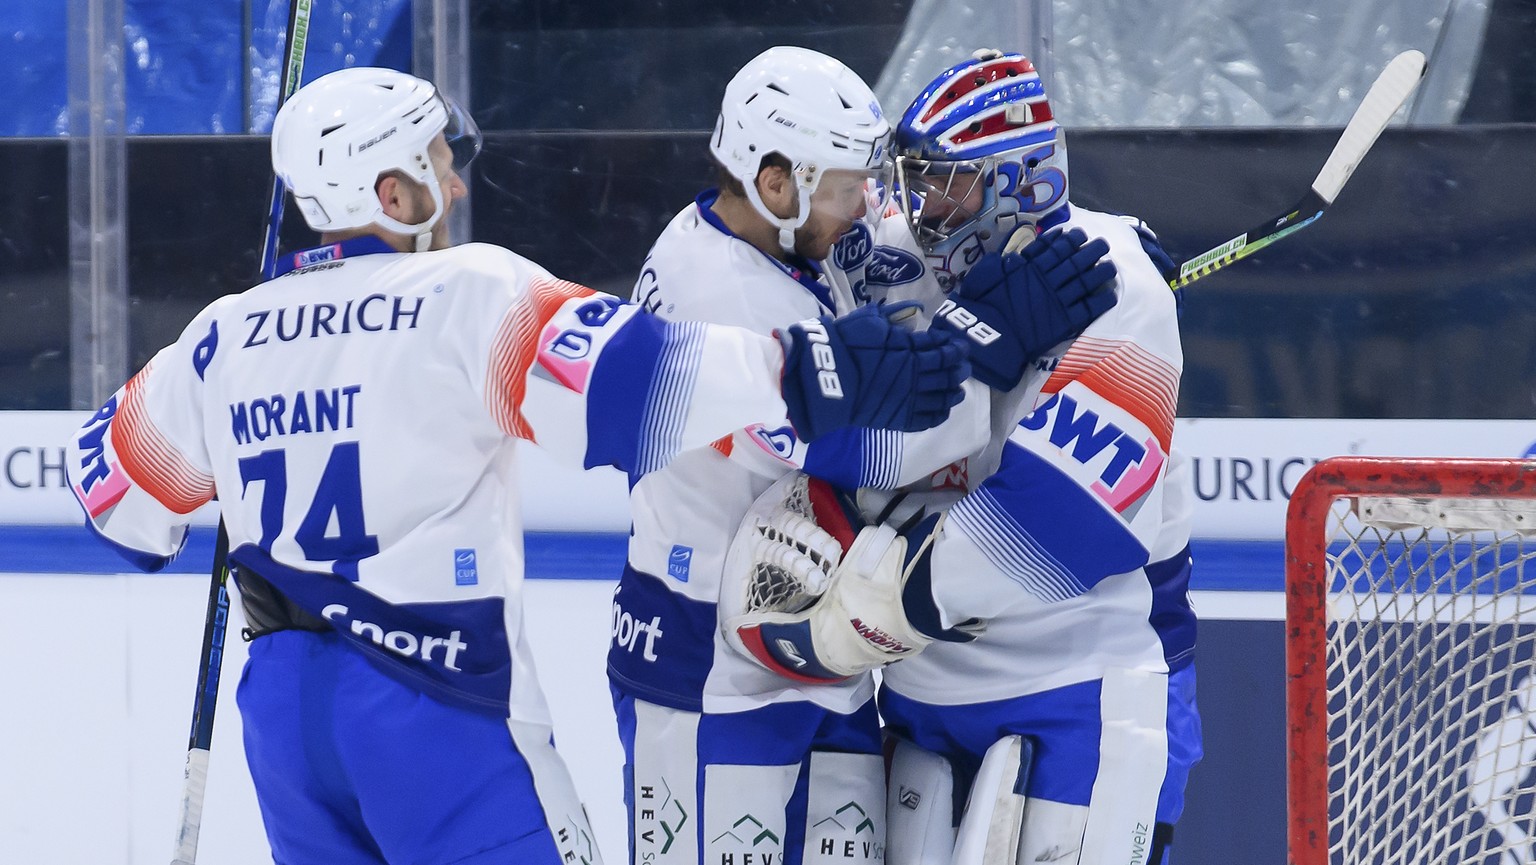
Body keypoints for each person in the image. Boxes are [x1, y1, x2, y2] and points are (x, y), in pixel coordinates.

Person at [62, 66, 975, 865]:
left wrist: (254, 366)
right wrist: (824, 371)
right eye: (435, 163)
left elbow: (117, 509)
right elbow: (639, 382)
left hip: (284, 720)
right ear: (391, 192)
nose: (454, 186)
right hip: (433, 700)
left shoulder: (222, 334)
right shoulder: (467, 293)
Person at [606, 47, 1119, 865]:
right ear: (777, 182)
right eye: (849, 183)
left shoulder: (780, 233)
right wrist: (990, 338)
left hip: (814, 636)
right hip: (707, 667)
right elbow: (878, 450)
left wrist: (1102, 248)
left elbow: (906, 233)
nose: (869, 201)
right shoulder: (726, 307)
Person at [726, 51, 1201, 865]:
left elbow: (1063, 526)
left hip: (1073, 690)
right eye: (916, 179)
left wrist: (860, 615)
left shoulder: (1116, 294)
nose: (922, 208)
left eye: (952, 185)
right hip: (920, 697)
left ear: (1023, 184)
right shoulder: (894, 255)